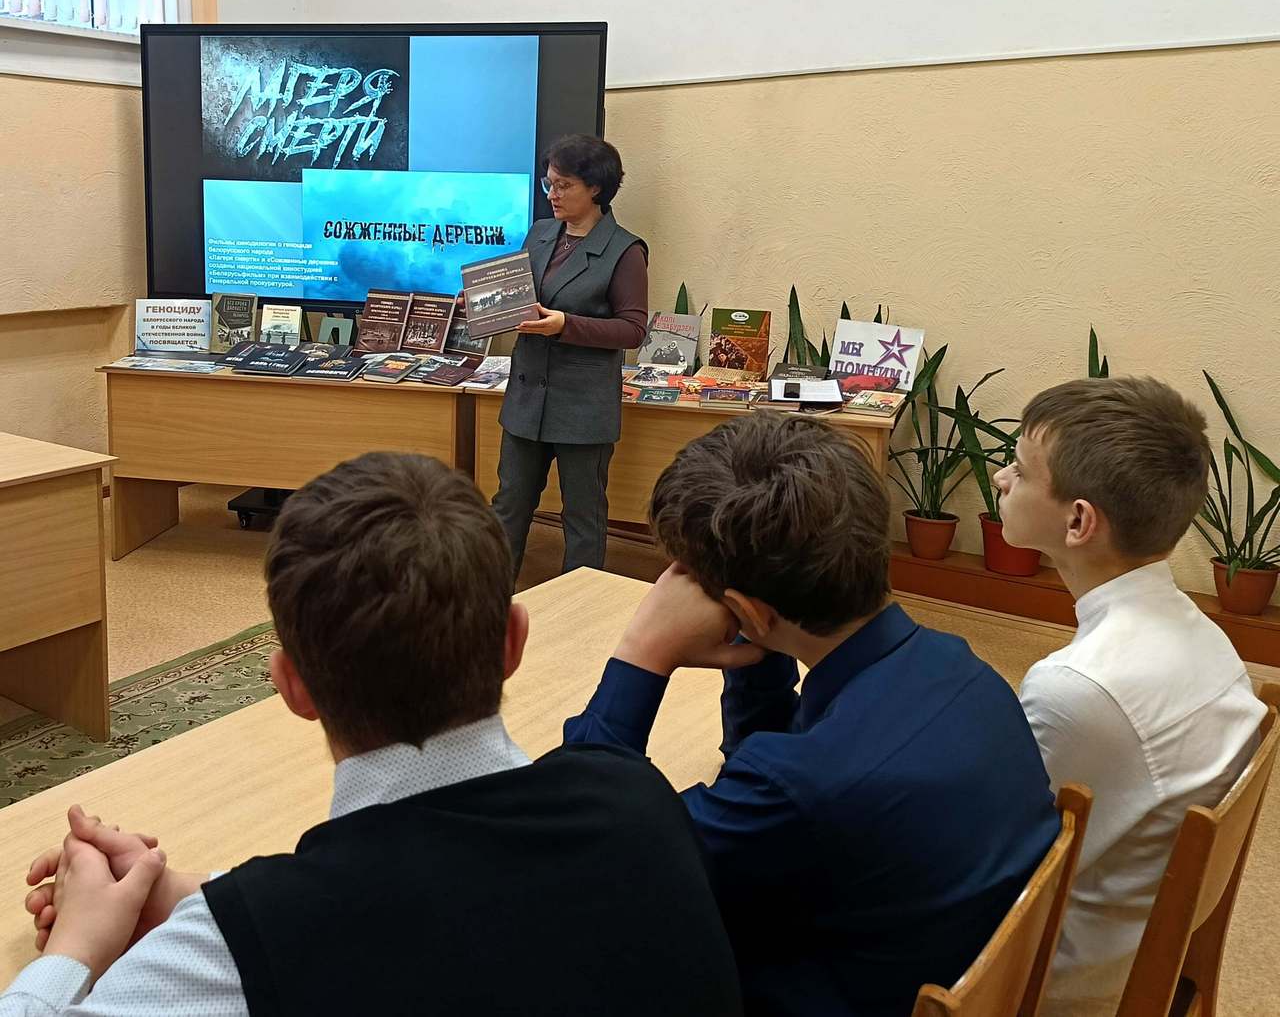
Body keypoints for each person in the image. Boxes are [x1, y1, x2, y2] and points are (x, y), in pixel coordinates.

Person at [8, 453, 742, 1016]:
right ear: (514, 641)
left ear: (291, 686)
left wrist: (78, 945)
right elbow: (456, 890)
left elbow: (384, 900)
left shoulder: (241, 954)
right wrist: (189, 898)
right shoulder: (641, 799)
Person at [564, 411, 1061, 1016]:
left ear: (747, 610)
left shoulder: (793, 789)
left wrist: (642, 653)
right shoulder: (965, 670)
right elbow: (772, 751)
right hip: (912, 962)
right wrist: (755, 642)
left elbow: (575, 852)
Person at [994, 377, 1266, 1015]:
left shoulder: (1077, 686)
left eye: (1021, 471)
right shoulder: (1208, 636)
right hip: (1139, 937)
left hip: (1059, 982)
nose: (1002, 479)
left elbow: (994, 853)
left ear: (1079, 521)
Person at [493, 133, 649, 577]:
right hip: (526, 399)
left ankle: (581, 608)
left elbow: (633, 330)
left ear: (595, 187)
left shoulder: (625, 250)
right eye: (549, 184)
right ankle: (488, 602)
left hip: (582, 405)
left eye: (564, 185)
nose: (552, 195)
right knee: (508, 506)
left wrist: (566, 324)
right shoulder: (540, 233)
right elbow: (519, 298)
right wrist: (484, 306)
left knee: (582, 517)